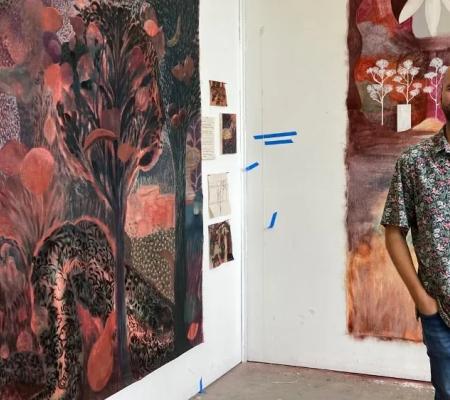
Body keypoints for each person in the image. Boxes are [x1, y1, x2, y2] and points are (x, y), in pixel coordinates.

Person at [381, 69, 450, 399]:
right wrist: (422, 300)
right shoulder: (414, 162)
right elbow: (394, 232)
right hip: (441, 313)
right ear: (441, 94)